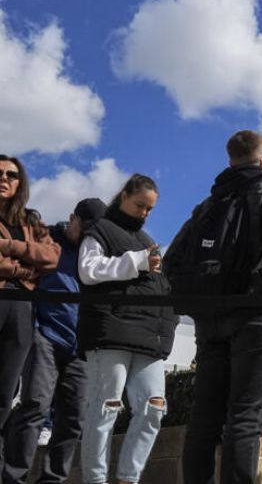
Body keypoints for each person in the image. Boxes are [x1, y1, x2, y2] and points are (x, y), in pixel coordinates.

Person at [168, 130, 262, 484]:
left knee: (204, 421)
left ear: (230, 160)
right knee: (246, 419)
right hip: (261, 312)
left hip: (212, 317)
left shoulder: (210, 203)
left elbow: (173, 258)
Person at [77, 174, 177, 484]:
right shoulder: (101, 230)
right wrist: (136, 261)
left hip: (149, 336)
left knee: (154, 407)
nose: (144, 213)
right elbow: (88, 271)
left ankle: (127, 478)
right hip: (111, 330)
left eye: (149, 209)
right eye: (140, 205)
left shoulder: (147, 240)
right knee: (106, 407)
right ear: (124, 197)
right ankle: (95, 480)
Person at [3, 198, 105, 483]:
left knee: (74, 418)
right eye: (84, 228)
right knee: (35, 405)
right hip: (44, 334)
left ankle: (52, 479)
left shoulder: (95, 251)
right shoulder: (47, 241)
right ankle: (13, 477)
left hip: (80, 345)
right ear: (72, 219)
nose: (87, 235)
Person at [0, 155, 60, 463]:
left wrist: (10, 248)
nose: (5, 178)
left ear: (20, 182)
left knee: (5, 394)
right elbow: (37, 266)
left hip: (22, 308)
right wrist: (28, 270)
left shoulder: (31, 220)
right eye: (0, 173)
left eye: (12, 174)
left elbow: (50, 257)